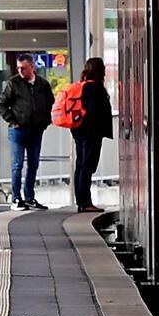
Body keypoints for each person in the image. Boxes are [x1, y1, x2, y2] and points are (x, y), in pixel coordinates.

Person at [0, 52, 55, 210]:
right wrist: (12, 120)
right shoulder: (13, 84)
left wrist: (45, 121)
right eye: (18, 68)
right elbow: (1, 105)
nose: (21, 71)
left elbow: (50, 102)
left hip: (36, 129)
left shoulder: (42, 84)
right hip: (18, 130)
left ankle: (29, 197)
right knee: (17, 164)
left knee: (34, 164)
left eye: (23, 68)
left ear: (32, 67)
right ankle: (16, 198)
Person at [68, 57, 113, 213]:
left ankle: (81, 201)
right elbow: (94, 112)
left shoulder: (83, 86)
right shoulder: (95, 88)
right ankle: (85, 202)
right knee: (86, 166)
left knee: (81, 165)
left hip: (79, 131)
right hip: (91, 132)